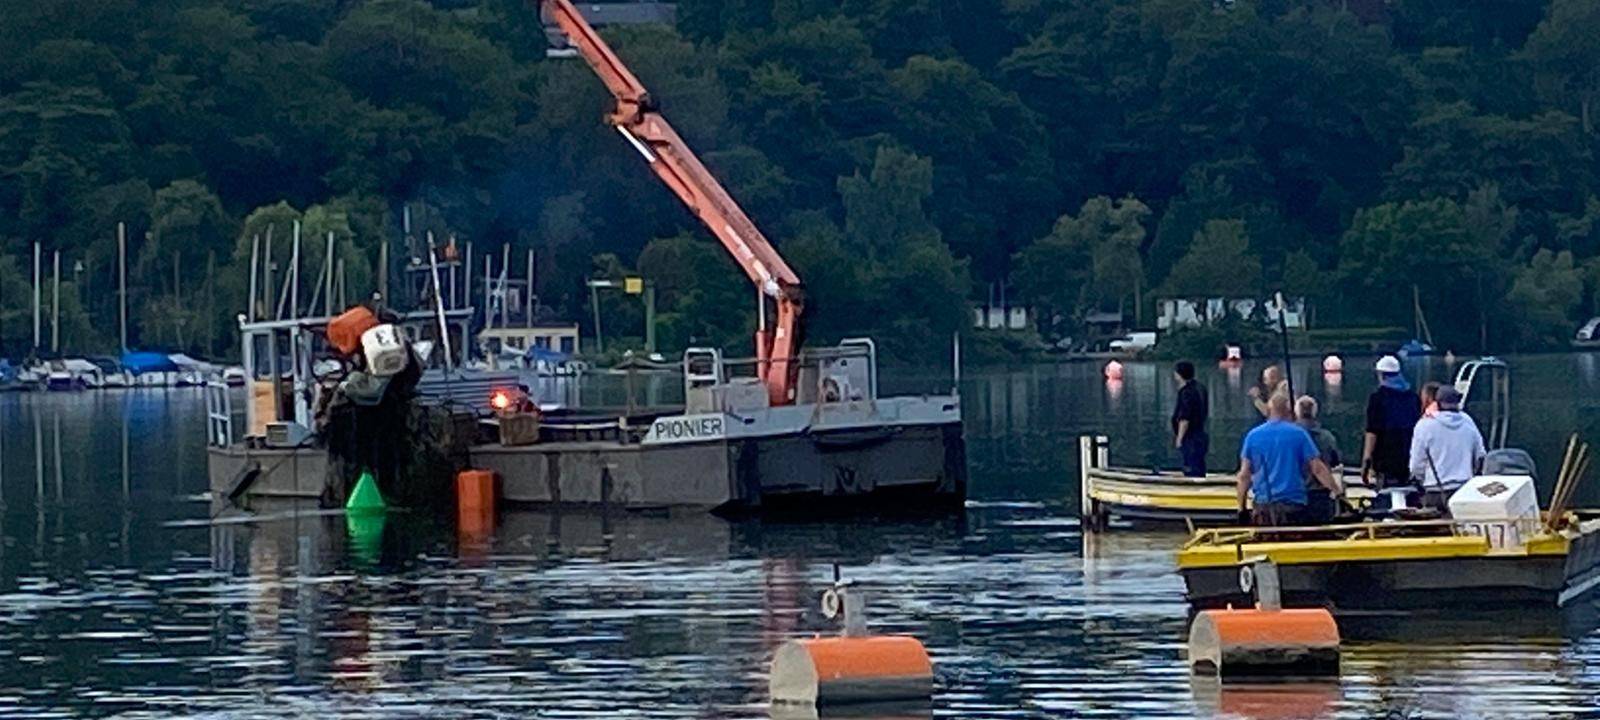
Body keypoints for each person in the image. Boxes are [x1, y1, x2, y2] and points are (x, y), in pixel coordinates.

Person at [1237, 393, 1342, 526]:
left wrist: (1241, 508)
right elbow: (1317, 468)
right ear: (1289, 411)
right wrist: (1337, 491)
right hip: (1293, 504)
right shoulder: (1299, 434)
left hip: (1263, 505)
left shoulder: (1253, 436)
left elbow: (1244, 476)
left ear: (1269, 410)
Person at [1409, 385, 1486, 512]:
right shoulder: (1468, 421)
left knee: (1438, 531)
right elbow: (1480, 455)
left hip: (1435, 493)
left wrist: (1422, 479)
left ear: (1437, 403)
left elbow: (1416, 464)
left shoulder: (1424, 425)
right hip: (1465, 491)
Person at [1362, 355, 1421, 488]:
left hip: (1385, 459)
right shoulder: (1413, 397)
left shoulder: (1377, 398)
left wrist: (1366, 461)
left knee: (1386, 493)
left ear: (1381, 375)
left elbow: (1372, 431)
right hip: (1409, 456)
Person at [1295, 395, 1342, 523]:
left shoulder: (1288, 438)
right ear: (1315, 412)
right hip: (1320, 494)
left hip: (1294, 495)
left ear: (1296, 412)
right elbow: (1335, 462)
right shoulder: (1327, 438)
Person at [1172, 361, 1209, 477]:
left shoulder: (1186, 392)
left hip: (1190, 436)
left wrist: (1179, 438)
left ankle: (1193, 487)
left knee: (1191, 465)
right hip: (1201, 433)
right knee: (1199, 464)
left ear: (1179, 374)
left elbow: (1185, 418)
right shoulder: (1200, 388)